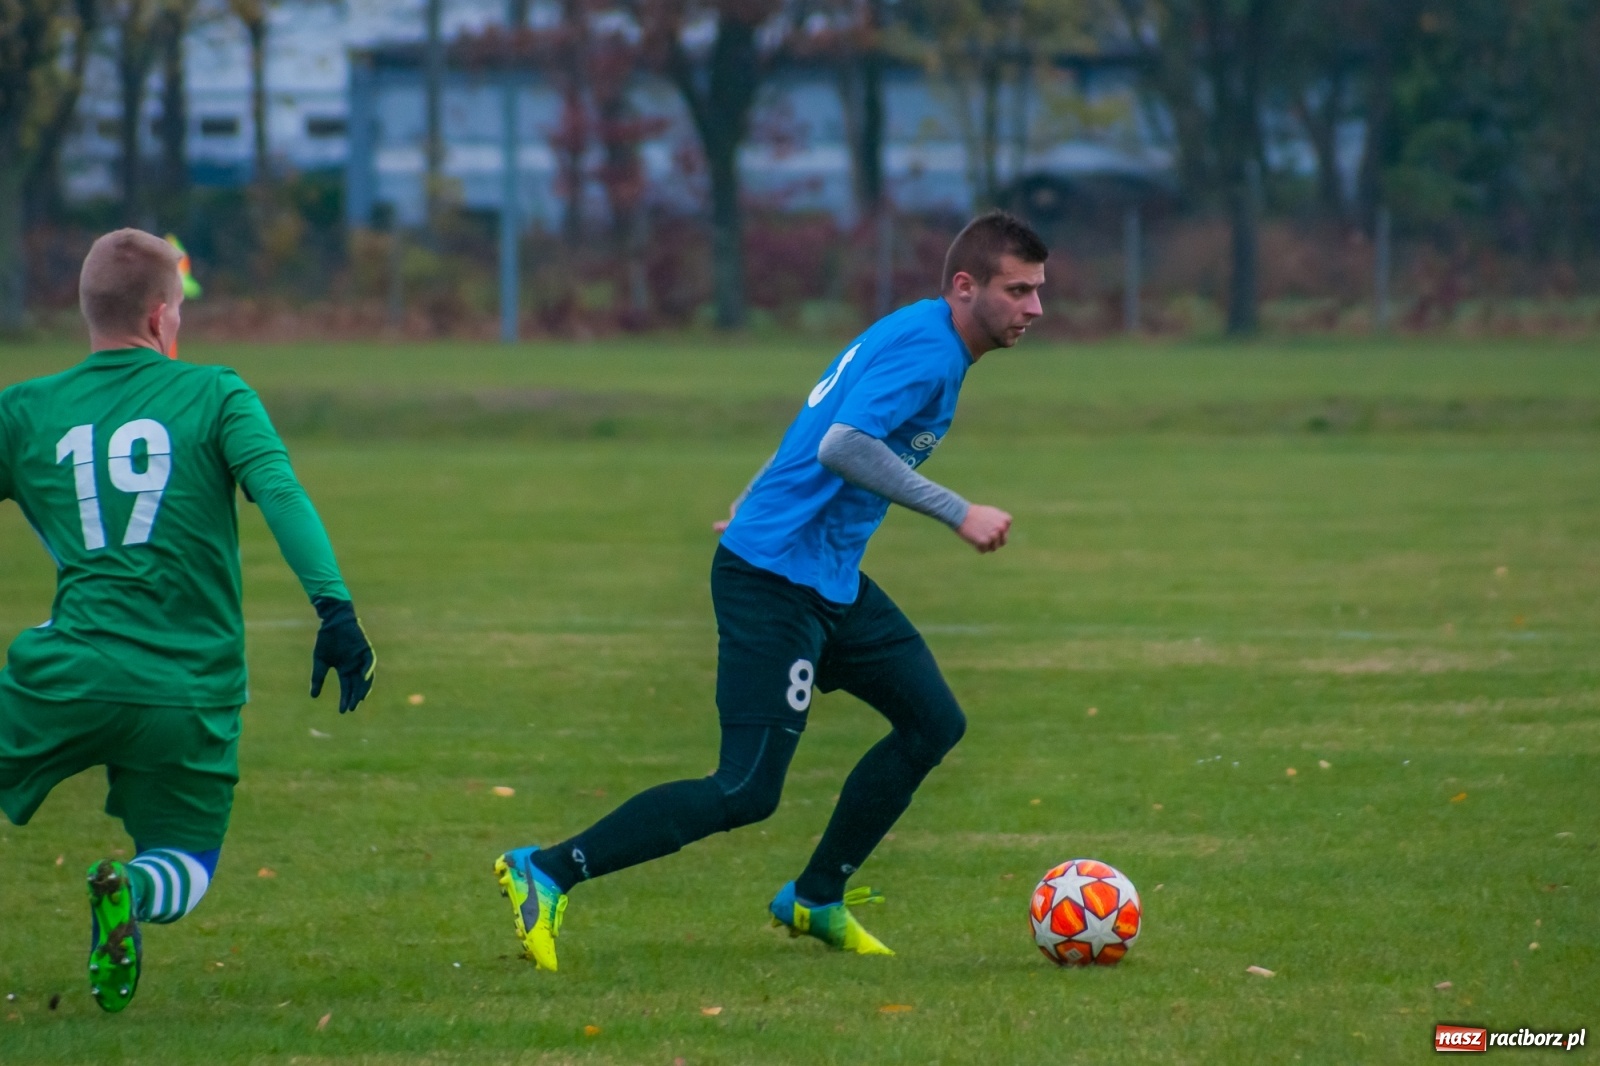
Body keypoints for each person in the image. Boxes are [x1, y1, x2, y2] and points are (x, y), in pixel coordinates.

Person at [495, 210, 1046, 971]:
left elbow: (810, 420)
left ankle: (817, 896)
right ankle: (547, 870)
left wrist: (753, 497)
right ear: (965, 286)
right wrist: (959, 512)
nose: (1035, 309)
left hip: (826, 576)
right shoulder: (928, 350)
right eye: (1018, 291)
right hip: (775, 580)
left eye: (1037, 292)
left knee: (932, 722)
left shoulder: (923, 334)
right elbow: (841, 443)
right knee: (747, 788)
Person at [0, 229, 376, 1012]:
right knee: (190, 860)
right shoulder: (216, 393)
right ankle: (129, 891)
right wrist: (335, 610)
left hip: (66, 673)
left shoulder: (25, 412)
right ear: (164, 317)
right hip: (190, 688)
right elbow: (279, 491)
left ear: (87, 311)